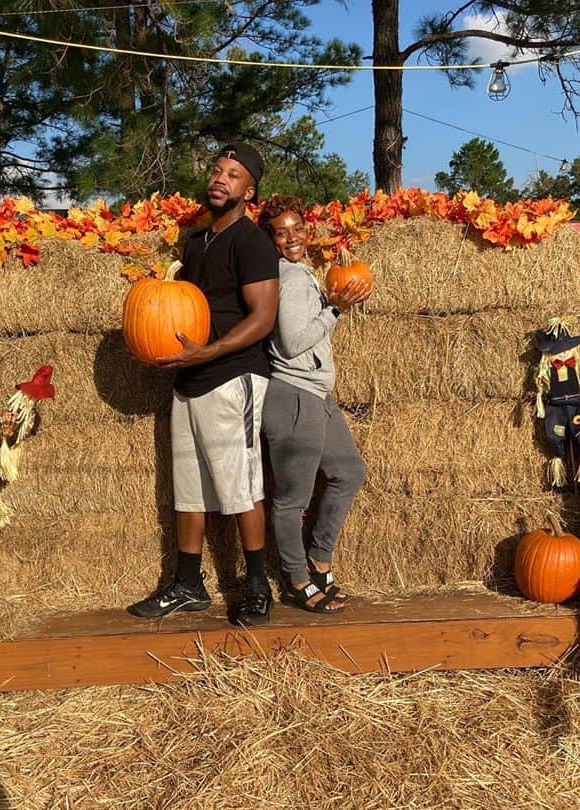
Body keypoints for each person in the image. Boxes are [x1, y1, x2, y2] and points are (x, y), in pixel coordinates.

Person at [128, 143, 281, 626]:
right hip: (190, 379)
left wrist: (210, 352)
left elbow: (263, 318)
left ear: (248, 190)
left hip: (234, 377)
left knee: (241, 485)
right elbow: (182, 310)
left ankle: (256, 586)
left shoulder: (253, 243)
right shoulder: (196, 242)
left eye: (233, 175)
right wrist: (162, 349)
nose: (220, 179)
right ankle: (188, 584)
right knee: (188, 488)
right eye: (217, 170)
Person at [257, 195, 370, 613]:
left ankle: (319, 558)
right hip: (293, 395)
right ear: (270, 239)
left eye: (297, 228)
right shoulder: (285, 277)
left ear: (308, 230)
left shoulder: (301, 272)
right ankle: (298, 581)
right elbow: (292, 341)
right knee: (291, 500)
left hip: (316, 393)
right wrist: (335, 310)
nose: (292, 238)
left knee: (348, 472)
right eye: (280, 232)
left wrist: (334, 286)